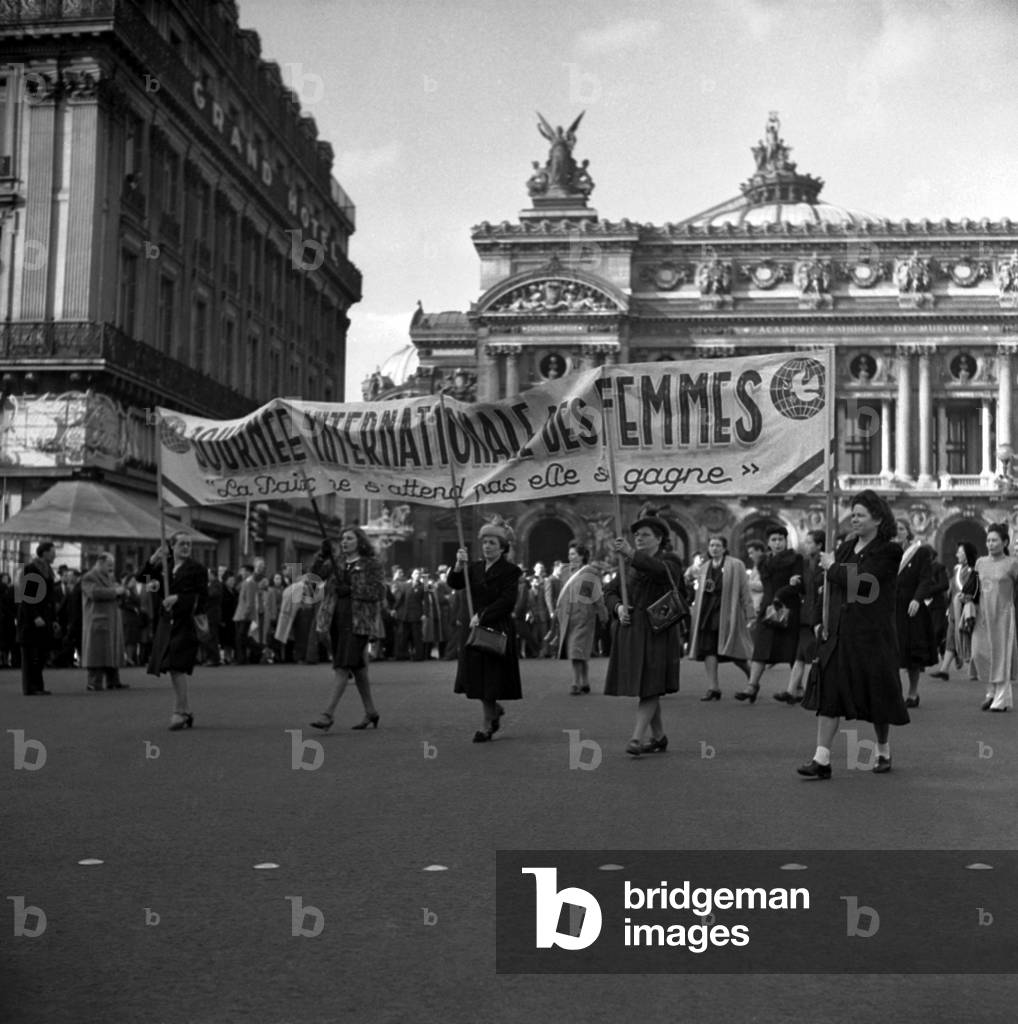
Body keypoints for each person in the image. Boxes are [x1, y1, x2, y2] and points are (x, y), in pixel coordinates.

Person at [797, 490, 910, 778]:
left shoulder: (888, 551)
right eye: (853, 514)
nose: (855, 519)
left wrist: (832, 567)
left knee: (878, 695)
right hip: (841, 633)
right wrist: (825, 620)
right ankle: (821, 759)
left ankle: (883, 749)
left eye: (860, 515)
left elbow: (864, 589)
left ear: (878, 518)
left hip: (873, 635)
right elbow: (835, 591)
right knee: (830, 692)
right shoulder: (846, 548)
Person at [604, 516, 686, 756]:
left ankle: (636, 739)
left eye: (645, 535)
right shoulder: (627, 563)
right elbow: (609, 591)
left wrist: (630, 553)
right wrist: (618, 608)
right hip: (632, 629)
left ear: (659, 539)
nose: (639, 538)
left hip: (658, 629)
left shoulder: (670, 560)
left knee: (650, 685)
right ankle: (659, 737)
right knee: (648, 685)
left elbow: (660, 572)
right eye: (636, 535)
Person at [448, 517, 523, 743]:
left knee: (490, 677)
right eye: (485, 542)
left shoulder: (511, 571)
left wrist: (482, 615)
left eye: (492, 543)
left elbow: (507, 601)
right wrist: (458, 566)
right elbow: (455, 583)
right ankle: (493, 712)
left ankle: (486, 725)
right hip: (473, 627)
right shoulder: (475, 568)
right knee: (478, 676)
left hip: (495, 626)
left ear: (502, 547)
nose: (487, 546)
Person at [310, 529, 386, 732]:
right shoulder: (336, 562)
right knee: (357, 667)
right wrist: (322, 555)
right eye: (342, 538)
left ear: (360, 542)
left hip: (358, 622)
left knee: (342, 665)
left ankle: (328, 714)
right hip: (336, 619)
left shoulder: (370, 563)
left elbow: (379, 591)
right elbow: (312, 579)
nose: (344, 541)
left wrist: (352, 590)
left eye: (349, 538)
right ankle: (371, 711)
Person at [143, 532, 208, 730]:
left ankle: (179, 711)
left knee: (176, 664)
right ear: (172, 546)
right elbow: (144, 580)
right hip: (166, 622)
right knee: (173, 666)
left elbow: (203, 597)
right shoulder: (165, 567)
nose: (186, 547)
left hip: (186, 622)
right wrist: (152, 560)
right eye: (182, 544)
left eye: (189, 544)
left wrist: (179, 598)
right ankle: (185, 711)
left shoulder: (197, 569)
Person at [736, 526, 803, 703]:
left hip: (788, 608)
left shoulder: (795, 558)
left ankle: (797, 688)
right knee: (761, 648)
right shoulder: (763, 561)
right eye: (773, 540)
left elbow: (799, 584)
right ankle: (752, 686)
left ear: (786, 540)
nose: (777, 543)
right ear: (768, 542)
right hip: (768, 608)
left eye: (780, 539)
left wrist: (788, 588)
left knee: (792, 650)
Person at [687, 535, 753, 700]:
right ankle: (713, 688)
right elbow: (702, 591)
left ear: (724, 548)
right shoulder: (704, 567)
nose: (714, 548)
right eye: (711, 545)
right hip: (709, 612)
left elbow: (744, 589)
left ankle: (753, 680)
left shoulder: (736, 565)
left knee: (735, 652)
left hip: (728, 612)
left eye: (717, 545)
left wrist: (749, 612)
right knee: (709, 649)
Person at [970, 523, 1018, 712]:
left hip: (1004, 614)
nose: (990, 544)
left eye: (995, 540)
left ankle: (1001, 697)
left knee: (1001, 654)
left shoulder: (1012, 563)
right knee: (980, 652)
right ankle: (991, 691)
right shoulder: (980, 562)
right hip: (983, 614)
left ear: (1005, 542)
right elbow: (973, 586)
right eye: (988, 540)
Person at [776, 530, 825, 704]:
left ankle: (816, 691)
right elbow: (803, 588)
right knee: (801, 655)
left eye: (810, 542)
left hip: (820, 614)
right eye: (805, 542)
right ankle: (791, 691)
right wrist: (792, 584)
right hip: (805, 613)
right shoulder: (804, 563)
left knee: (810, 654)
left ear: (819, 545)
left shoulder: (827, 562)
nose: (806, 545)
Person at [894, 519, 938, 708]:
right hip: (891, 609)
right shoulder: (887, 552)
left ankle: (912, 692)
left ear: (908, 532)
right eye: (895, 530)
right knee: (891, 654)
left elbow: (926, 579)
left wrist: (917, 599)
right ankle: (894, 693)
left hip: (912, 609)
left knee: (912, 655)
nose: (898, 533)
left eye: (901, 529)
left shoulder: (919, 552)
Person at [554, 542, 607, 695]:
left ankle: (576, 682)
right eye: (569, 554)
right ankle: (585, 681)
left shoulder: (589, 573)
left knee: (576, 649)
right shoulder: (565, 572)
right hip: (567, 617)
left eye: (573, 554)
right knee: (579, 650)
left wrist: (602, 613)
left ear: (582, 556)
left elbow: (595, 595)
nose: (570, 557)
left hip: (583, 616)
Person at [930, 542, 979, 680]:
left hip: (966, 610)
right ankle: (944, 670)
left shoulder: (974, 571)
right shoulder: (956, 569)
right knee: (951, 637)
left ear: (966, 554)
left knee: (971, 638)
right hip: (953, 609)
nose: (957, 554)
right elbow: (952, 589)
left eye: (960, 552)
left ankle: (974, 670)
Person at [16, 541, 58, 695]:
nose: (55, 555)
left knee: (40, 653)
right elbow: (28, 596)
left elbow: (50, 598)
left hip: (44, 617)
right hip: (31, 619)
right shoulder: (33, 569)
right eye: (53, 551)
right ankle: (30, 687)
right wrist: (35, 616)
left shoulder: (47, 570)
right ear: (45, 552)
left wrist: (53, 619)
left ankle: (38, 685)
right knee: (31, 654)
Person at [81, 552, 128, 691]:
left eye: (112, 565)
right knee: (96, 653)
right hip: (98, 619)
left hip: (111, 620)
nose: (111, 568)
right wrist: (116, 591)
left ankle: (113, 681)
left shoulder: (109, 577)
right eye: (109, 565)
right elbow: (94, 593)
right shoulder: (89, 577)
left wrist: (122, 592)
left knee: (111, 651)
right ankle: (94, 682)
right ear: (100, 563)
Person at [744, 541, 766, 615]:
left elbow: (763, 585)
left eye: (751, 553)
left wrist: (746, 581)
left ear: (759, 551)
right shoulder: (757, 565)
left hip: (761, 603)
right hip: (755, 604)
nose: (750, 556)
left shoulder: (765, 564)